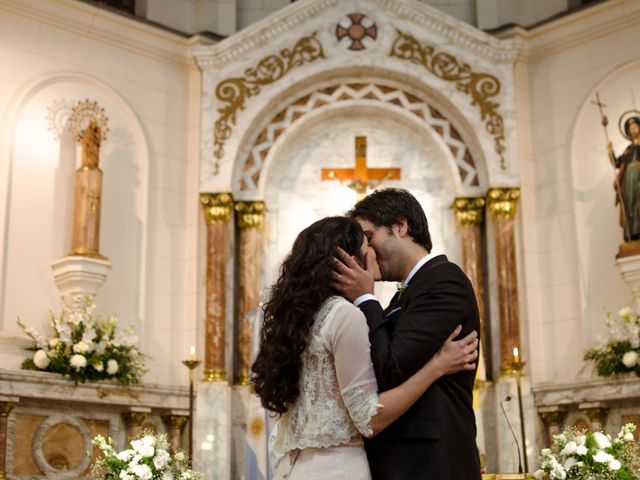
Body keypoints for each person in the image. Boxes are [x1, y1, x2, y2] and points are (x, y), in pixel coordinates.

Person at [251, 216, 479, 480]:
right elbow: (370, 417)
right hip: (340, 468)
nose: (372, 255)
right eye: (365, 248)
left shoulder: (297, 322)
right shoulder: (345, 315)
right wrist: (436, 367)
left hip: (296, 468)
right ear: (350, 263)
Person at [332, 188, 482, 479]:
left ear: (399, 226)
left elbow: (391, 367)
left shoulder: (444, 281)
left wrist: (365, 298)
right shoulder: (404, 297)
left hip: (431, 462)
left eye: (370, 236)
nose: (367, 253)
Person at [608, 115, 640, 241]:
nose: (633, 130)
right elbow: (616, 163)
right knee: (629, 205)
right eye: (630, 128)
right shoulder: (628, 150)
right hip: (628, 181)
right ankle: (631, 234)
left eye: (635, 126)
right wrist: (610, 149)